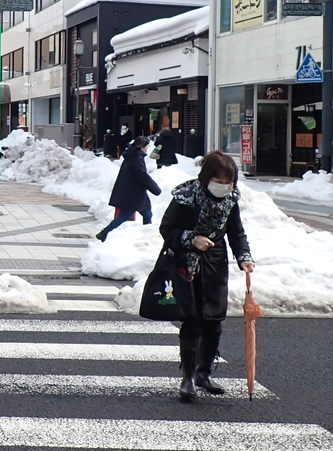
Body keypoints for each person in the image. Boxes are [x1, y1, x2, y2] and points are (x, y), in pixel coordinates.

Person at [159, 150, 255, 403]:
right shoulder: (186, 196)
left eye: (228, 182)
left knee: (214, 320)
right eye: (219, 181)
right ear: (206, 177)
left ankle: (204, 373)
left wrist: (244, 256)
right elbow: (167, 228)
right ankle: (187, 377)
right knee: (193, 320)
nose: (223, 187)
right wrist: (192, 239)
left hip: (215, 261)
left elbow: (236, 231)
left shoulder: (231, 199)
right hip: (186, 262)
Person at [96, 136, 161, 241]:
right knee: (125, 215)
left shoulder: (132, 156)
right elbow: (143, 176)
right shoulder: (136, 158)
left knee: (147, 214)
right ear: (141, 147)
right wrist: (156, 189)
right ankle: (104, 233)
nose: (148, 148)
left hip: (136, 192)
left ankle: (147, 236)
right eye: (147, 146)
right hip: (133, 194)